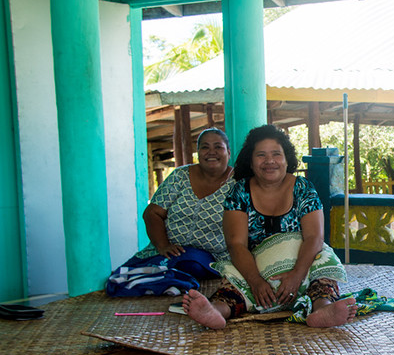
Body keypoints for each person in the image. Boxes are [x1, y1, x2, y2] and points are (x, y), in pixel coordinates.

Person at [183, 124, 357, 329]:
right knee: (233, 284)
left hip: (302, 267)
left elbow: (314, 237)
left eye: (276, 154)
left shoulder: (302, 188)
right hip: (256, 269)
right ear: (251, 160)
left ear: (286, 158)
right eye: (261, 155)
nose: (269, 161)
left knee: (324, 266)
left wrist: (296, 275)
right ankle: (216, 311)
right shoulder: (239, 192)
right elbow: (236, 244)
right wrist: (256, 281)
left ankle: (322, 309)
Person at [137, 127, 235, 263]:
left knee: (186, 264)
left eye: (218, 147)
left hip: (213, 258)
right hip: (166, 253)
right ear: (198, 153)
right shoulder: (180, 176)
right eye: (205, 147)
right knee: (123, 277)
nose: (211, 152)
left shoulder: (238, 184)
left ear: (228, 153)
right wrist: (163, 245)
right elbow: (152, 213)